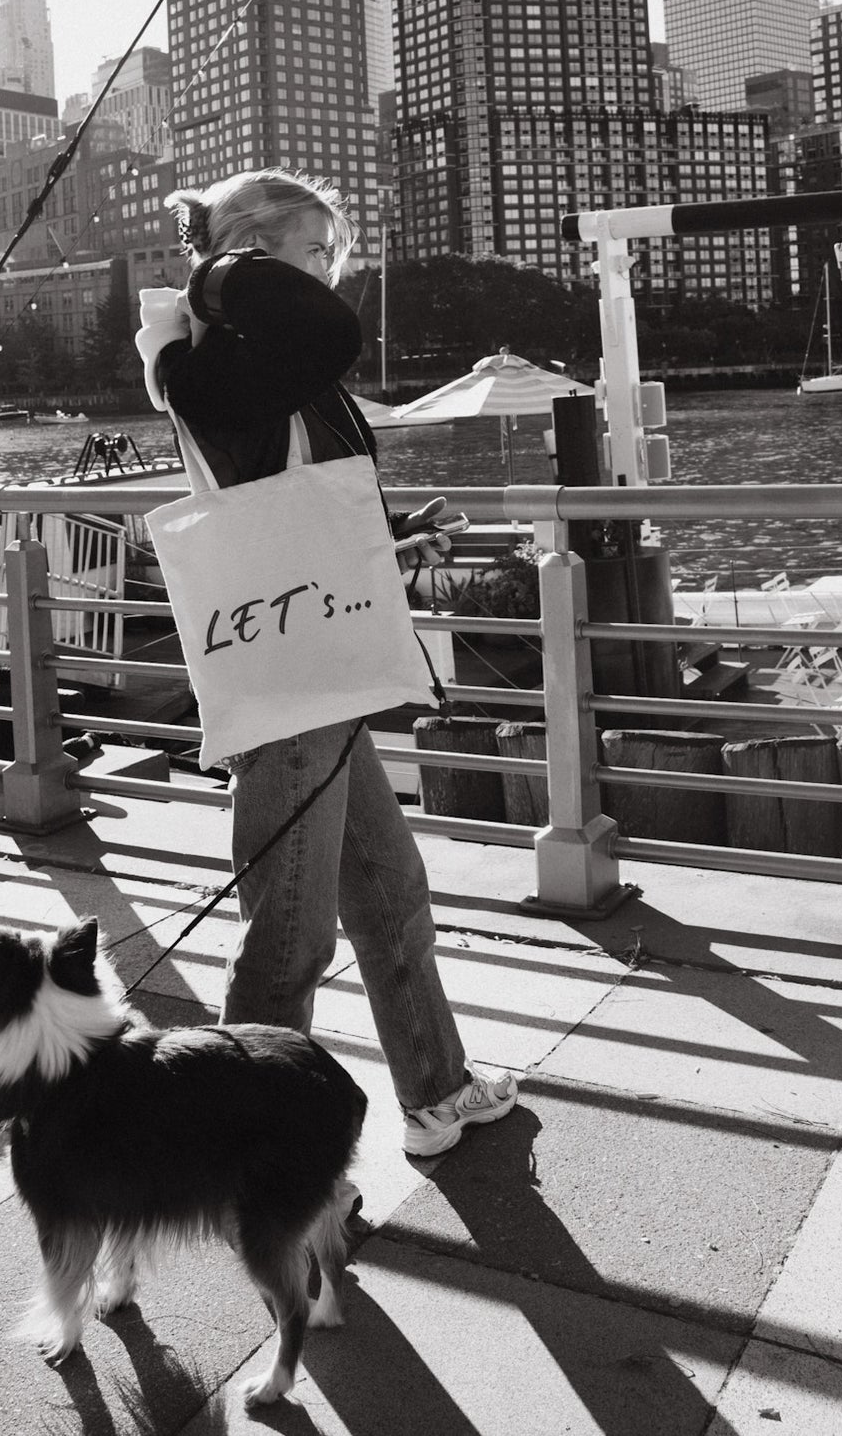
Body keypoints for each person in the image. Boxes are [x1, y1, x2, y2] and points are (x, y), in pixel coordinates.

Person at [136, 167, 518, 1158]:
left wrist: (395, 535)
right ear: (254, 251)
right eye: (313, 253)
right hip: (286, 675)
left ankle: (436, 1093)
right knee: (287, 940)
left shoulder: (266, 367)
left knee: (390, 901)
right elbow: (323, 335)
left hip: (319, 658)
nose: (328, 277)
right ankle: (257, 1160)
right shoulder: (206, 359)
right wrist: (225, 267)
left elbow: (298, 497)